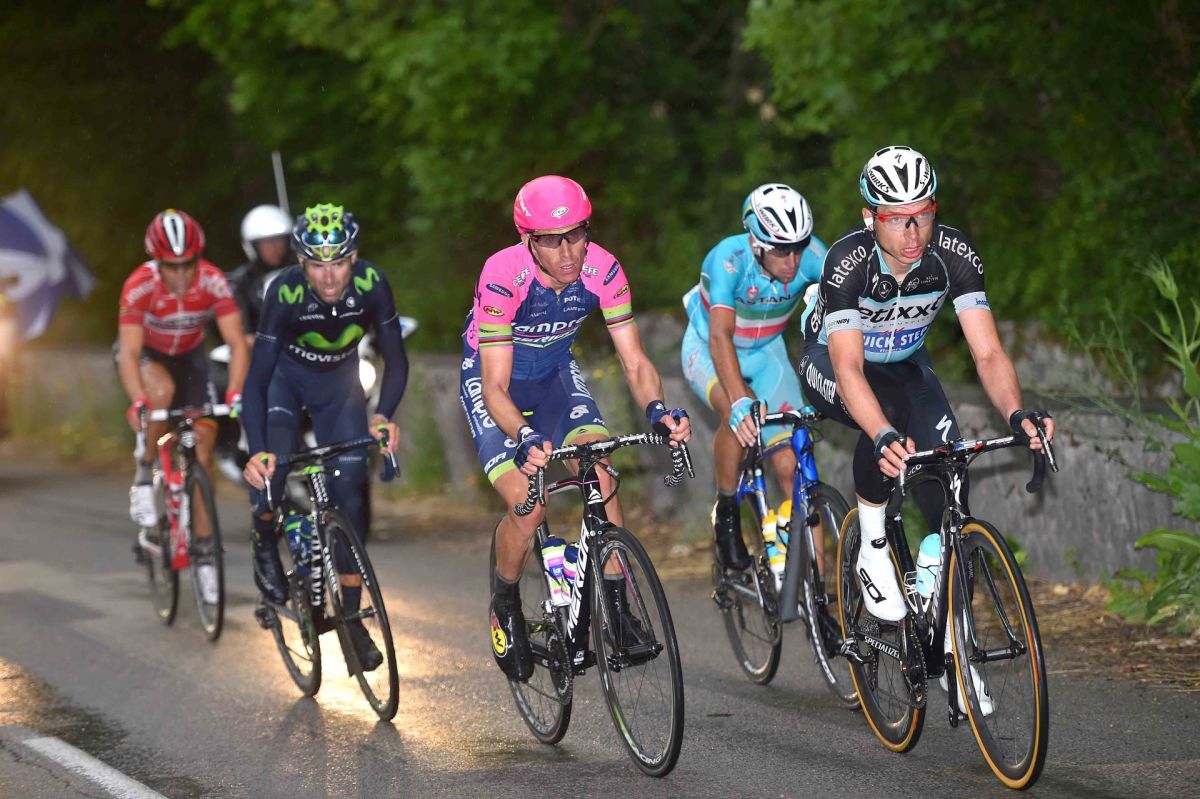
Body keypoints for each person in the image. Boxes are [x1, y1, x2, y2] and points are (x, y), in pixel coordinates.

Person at [799, 145, 1055, 709]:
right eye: (897, 218)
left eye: (923, 214)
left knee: (949, 487)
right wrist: (883, 435)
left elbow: (987, 352)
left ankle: (952, 650)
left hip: (907, 363)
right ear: (870, 217)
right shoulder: (847, 261)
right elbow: (848, 368)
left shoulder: (954, 255)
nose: (913, 232)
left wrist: (1018, 413)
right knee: (886, 417)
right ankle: (872, 547)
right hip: (835, 364)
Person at [460, 175, 691, 682]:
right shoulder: (502, 275)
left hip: (556, 378)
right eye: (551, 240)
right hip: (495, 384)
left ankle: (618, 611)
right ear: (528, 240)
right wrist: (522, 435)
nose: (568, 252)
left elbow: (634, 360)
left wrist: (657, 409)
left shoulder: (603, 268)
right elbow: (494, 386)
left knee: (601, 473)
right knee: (530, 504)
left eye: (576, 235)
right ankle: (505, 602)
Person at [241, 203, 408, 670]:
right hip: (284, 384)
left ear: (353, 258)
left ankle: (350, 621)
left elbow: (396, 360)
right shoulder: (285, 291)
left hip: (340, 386)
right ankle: (263, 538)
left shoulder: (372, 284)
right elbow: (256, 379)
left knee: (351, 495)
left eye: (338, 263)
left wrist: (383, 415)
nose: (329, 276)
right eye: (317, 264)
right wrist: (258, 450)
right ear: (301, 262)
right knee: (272, 475)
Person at [681, 183, 826, 570]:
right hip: (709, 349)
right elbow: (720, 336)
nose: (792, 261)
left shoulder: (814, 255)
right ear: (756, 244)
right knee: (739, 415)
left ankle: (818, 589)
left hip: (766, 353)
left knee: (793, 466)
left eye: (798, 247)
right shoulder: (727, 259)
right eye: (781, 250)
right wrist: (740, 399)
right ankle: (727, 508)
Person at [116, 209, 249, 602]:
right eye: (170, 267)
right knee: (160, 392)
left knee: (203, 454)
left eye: (187, 265)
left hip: (191, 359)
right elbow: (128, 353)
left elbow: (237, 343)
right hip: (148, 357)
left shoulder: (212, 280)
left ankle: (204, 552)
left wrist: (235, 392)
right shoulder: (139, 285)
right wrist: (138, 400)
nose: (179, 275)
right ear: (156, 262)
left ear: (198, 259)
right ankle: (145, 470)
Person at [228, 204, 294, 347]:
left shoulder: (304, 271)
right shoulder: (242, 282)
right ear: (252, 246)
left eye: (279, 240)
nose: (275, 247)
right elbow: (242, 332)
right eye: (267, 242)